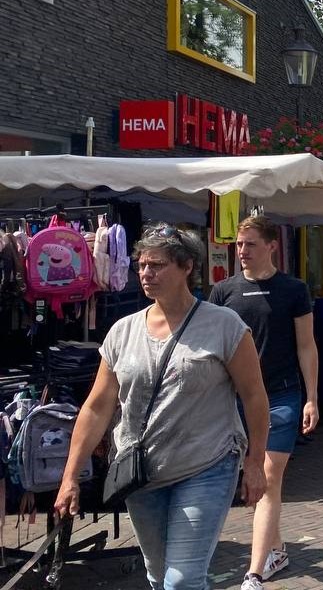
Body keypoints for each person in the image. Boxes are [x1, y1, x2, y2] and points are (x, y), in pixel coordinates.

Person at [55, 225, 270, 590]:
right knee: (158, 575)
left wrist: (255, 462)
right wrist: (70, 477)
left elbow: (254, 395)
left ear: (187, 266)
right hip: (141, 472)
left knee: (182, 580)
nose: (146, 273)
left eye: (156, 265)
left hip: (206, 465)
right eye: (141, 265)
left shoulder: (224, 326)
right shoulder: (123, 332)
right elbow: (97, 407)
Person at [207, 217, 318, 589]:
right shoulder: (223, 292)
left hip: (281, 396)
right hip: (235, 399)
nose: (242, 251)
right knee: (250, 481)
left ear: (272, 245)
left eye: (250, 243)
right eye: (239, 244)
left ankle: (254, 573)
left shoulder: (293, 289)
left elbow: (307, 346)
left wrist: (312, 398)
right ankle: (277, 549)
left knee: (268, 478)